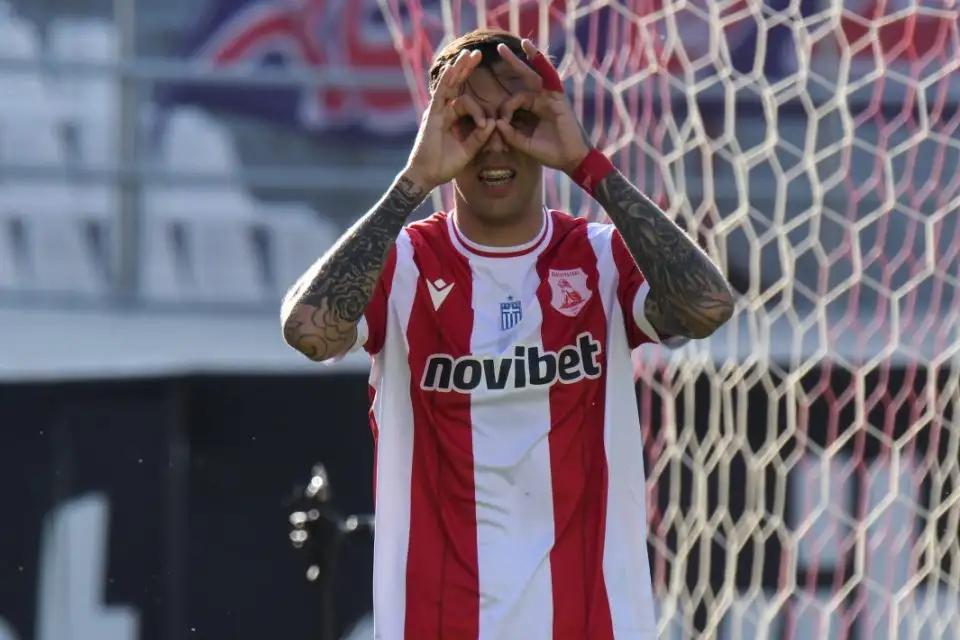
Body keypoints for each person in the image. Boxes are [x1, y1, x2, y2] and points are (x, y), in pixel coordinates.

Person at [281, 28, 734, 640]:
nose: (496, 143)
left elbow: (708, 306)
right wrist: (412, 181)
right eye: (469, 122)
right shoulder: (404, 264)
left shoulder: (601, 257)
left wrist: (587, 164)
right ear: (438, 129)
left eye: (519, 118)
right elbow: (308, 330)